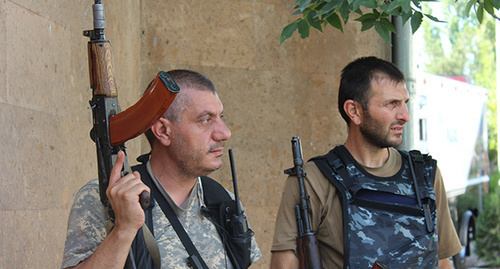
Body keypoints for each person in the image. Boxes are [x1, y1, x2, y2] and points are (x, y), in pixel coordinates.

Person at [270, 57, 462, 268]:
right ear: (354, 111)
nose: (405, 116)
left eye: (405, 103)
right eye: (392, 104)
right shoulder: (314, 180)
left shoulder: (425, 175)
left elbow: (443, 262)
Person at [62, 69, 261, 269]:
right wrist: (123, 229)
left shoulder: (224, 203)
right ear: (164, 131)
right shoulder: (107, 197)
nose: (225, 132)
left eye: (220, 117)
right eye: (206, 120)